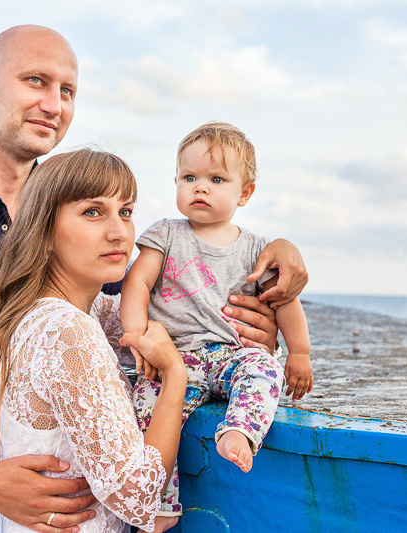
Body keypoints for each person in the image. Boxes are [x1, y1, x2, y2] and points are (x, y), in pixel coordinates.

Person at [0, 23, 307, 532]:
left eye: (67, 91)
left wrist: (259, 287)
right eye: (35, 81)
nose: (53, 103)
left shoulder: (79, 229)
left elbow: (147, 321)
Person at [0, 148, 188, 533]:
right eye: (93, 212)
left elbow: (165, 320)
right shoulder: (68, 332)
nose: (119, 232)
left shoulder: (48, 311)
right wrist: (176, 376)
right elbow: (139, 498)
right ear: (44, 232)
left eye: (126, 211)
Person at [120, 122, 314, 528]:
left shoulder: (258, 250)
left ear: (245, 193)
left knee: (263, 369)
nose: (200, 187)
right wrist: (137, 334)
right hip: (176, 358)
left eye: (216, 179)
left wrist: (299, 353)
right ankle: (157, 503)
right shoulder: (166, 234)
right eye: (189, 178)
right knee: (146, 413)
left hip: (232, 355)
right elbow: (136, 283)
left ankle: (239, 430)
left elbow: (285, 302)